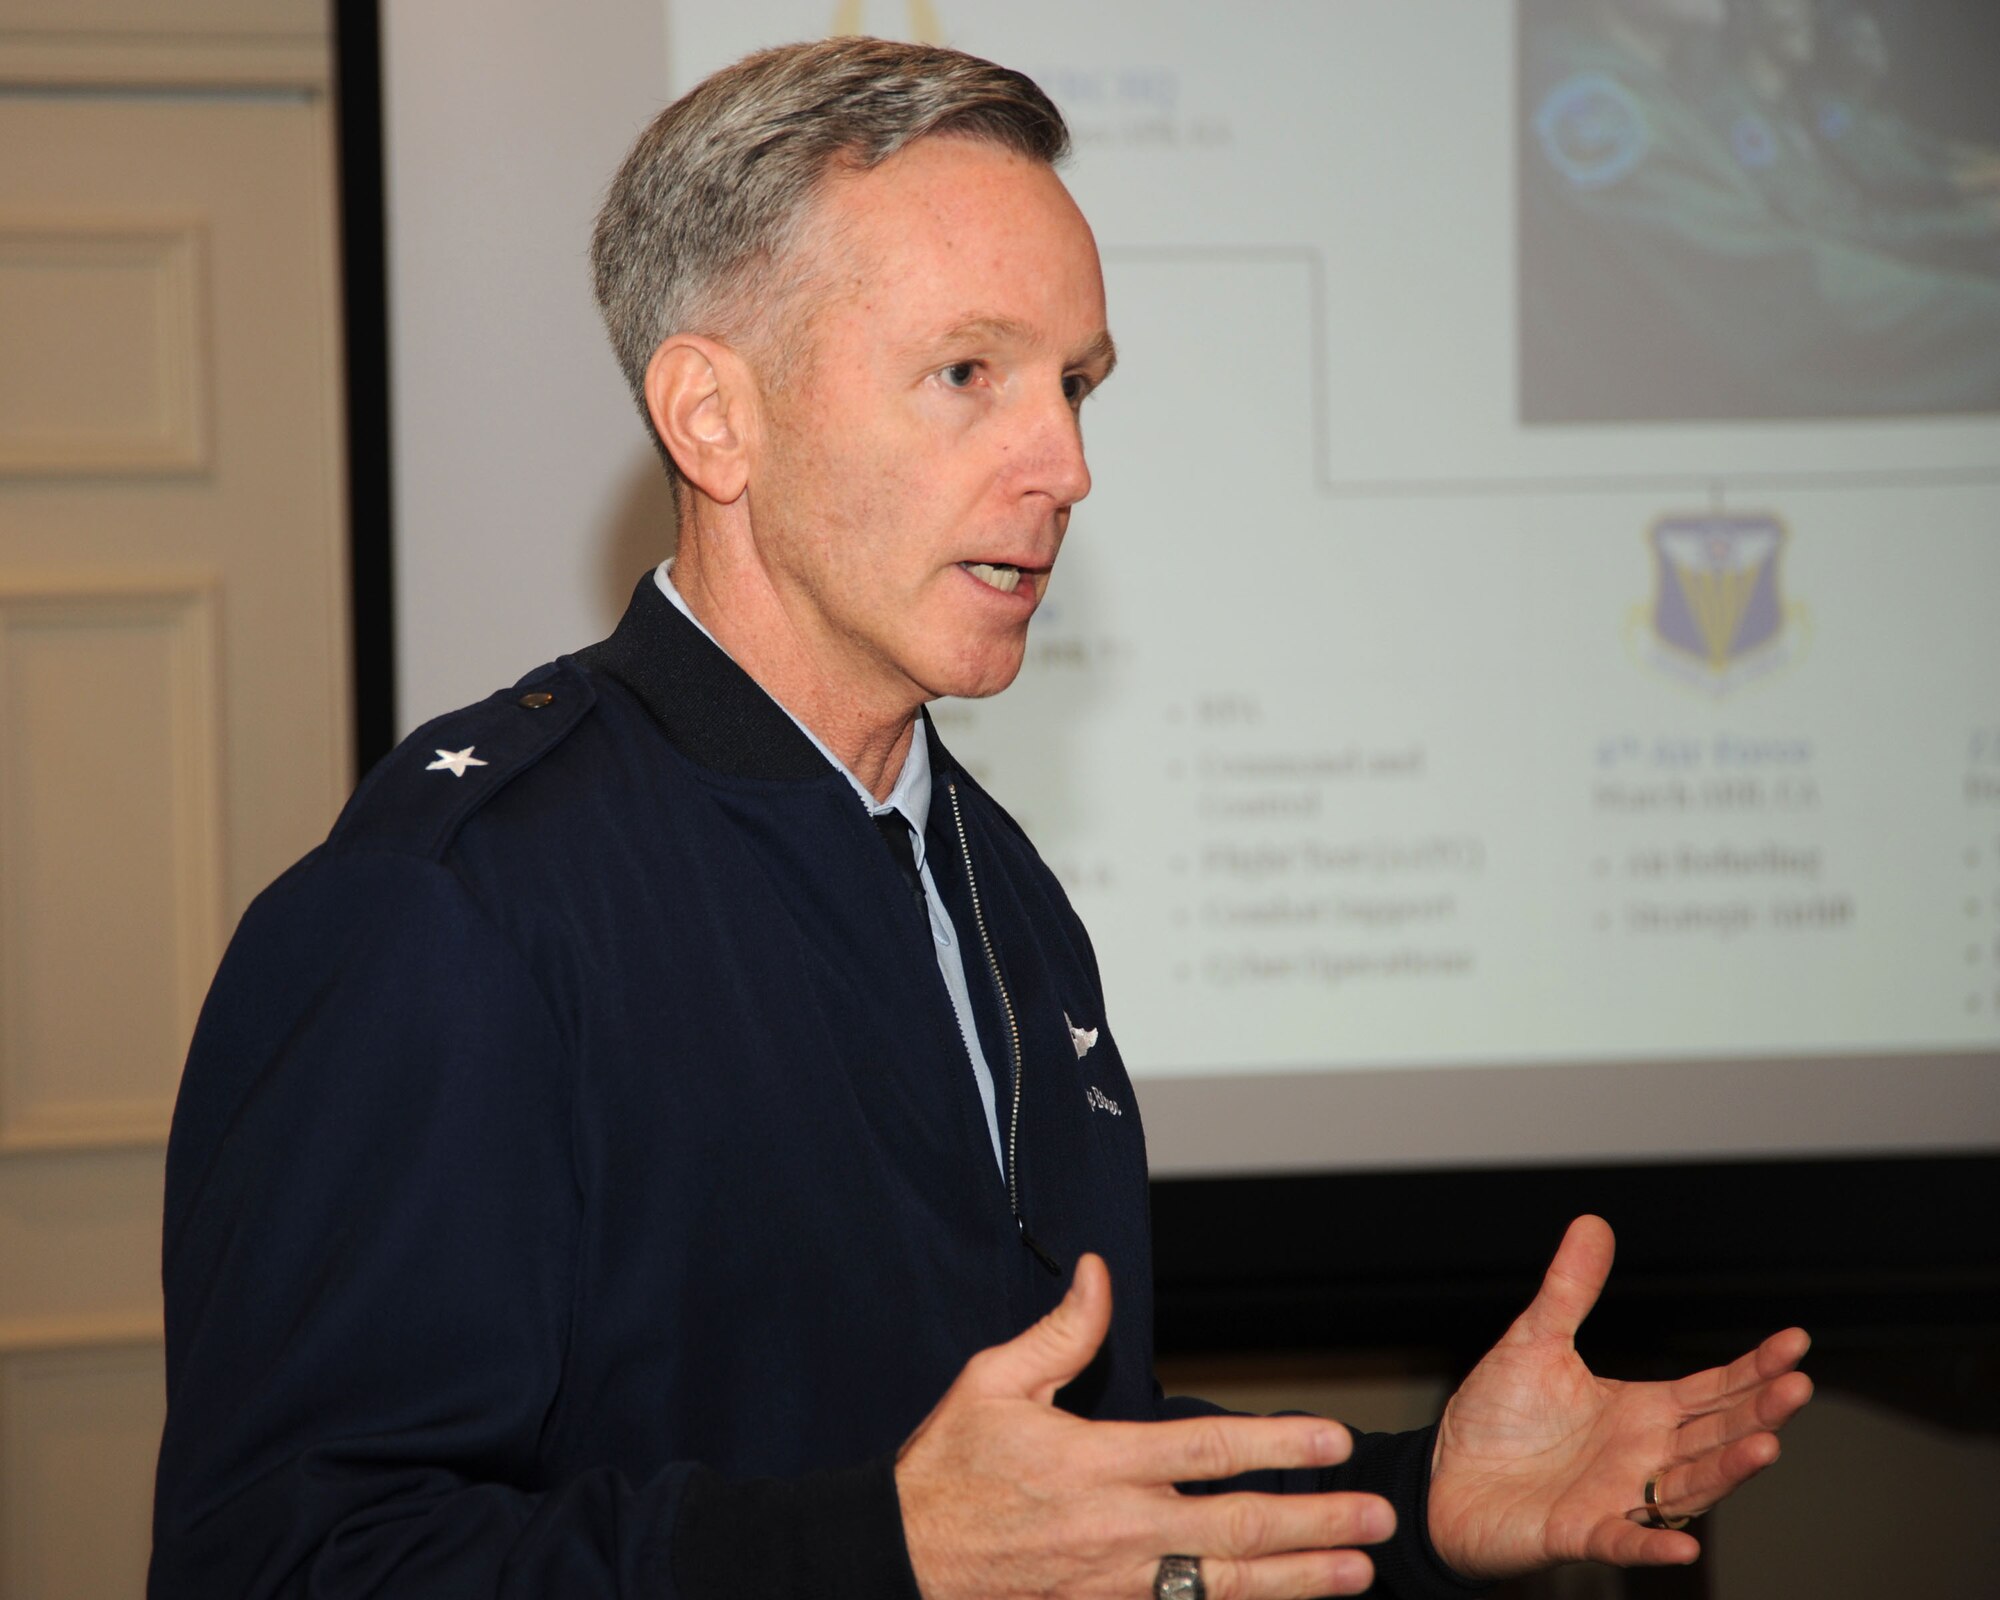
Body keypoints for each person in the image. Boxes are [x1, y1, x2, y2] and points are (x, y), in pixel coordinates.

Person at [150, 37, 1813, 1600]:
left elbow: (1044, 1496)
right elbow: (288, 1558)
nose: (1065, 463)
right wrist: (873, 1550)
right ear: (712, 416)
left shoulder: (996, 885)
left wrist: (1425, 1497)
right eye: (969, 373)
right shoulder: (454, 907)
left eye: (1075, 383)